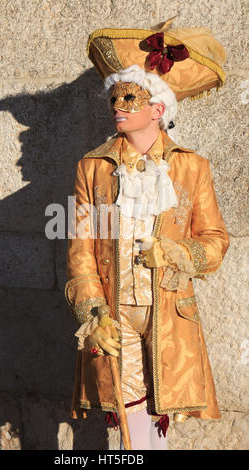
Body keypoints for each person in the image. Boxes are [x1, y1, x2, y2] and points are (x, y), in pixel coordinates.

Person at [65, 21, 229, 450]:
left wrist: (173, 252)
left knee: (158, 415)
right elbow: (81, 249)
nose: (117, 105)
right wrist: (92, 313)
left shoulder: (192, 168)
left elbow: (215, 239)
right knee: (125, 414)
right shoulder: (93, 168)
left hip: (169, 311)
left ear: (157, 108)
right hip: (113, 310)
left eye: (129, 97)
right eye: (114, 97)